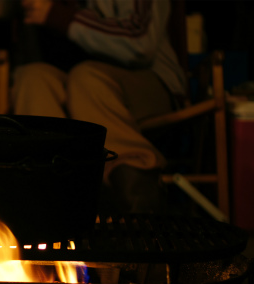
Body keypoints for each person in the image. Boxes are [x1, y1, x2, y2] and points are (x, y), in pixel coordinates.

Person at [11, 0, 187, 213]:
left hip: (146, 81)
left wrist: (61, 17)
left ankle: (136, 192)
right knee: (33, 79)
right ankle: (50, 194)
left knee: (87, 78)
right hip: (72, 83)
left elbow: (140, 43)